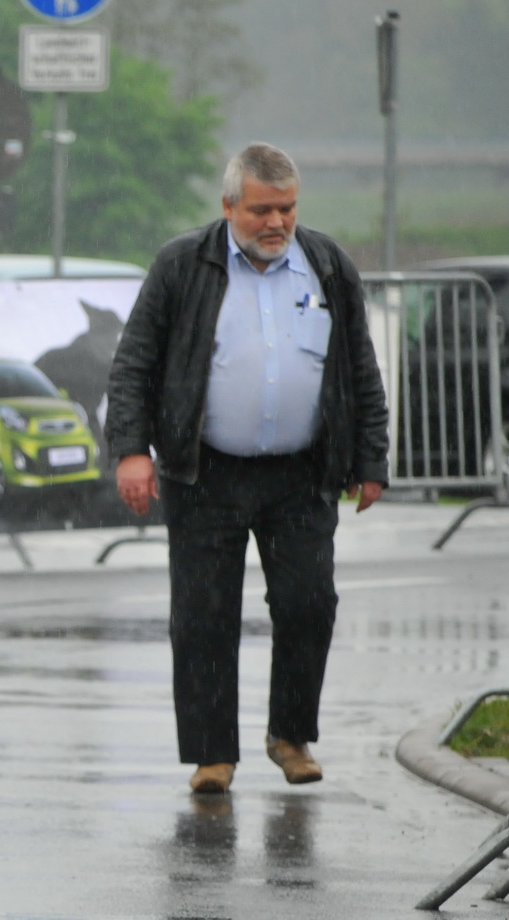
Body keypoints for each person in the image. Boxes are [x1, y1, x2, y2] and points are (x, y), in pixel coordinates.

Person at [105, 142, 389, 795]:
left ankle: (290, 736)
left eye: (286, 208)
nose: (275, 223)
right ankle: (212, 755)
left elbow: (358, 369)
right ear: (228, 205)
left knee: (307, 603)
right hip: (203, 472)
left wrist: (369, 460)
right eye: (261, 209)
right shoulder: (182, 265)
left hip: (300, 473)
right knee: (202, 615)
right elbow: (134, 364)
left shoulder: (325, 265)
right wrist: (130, 451)